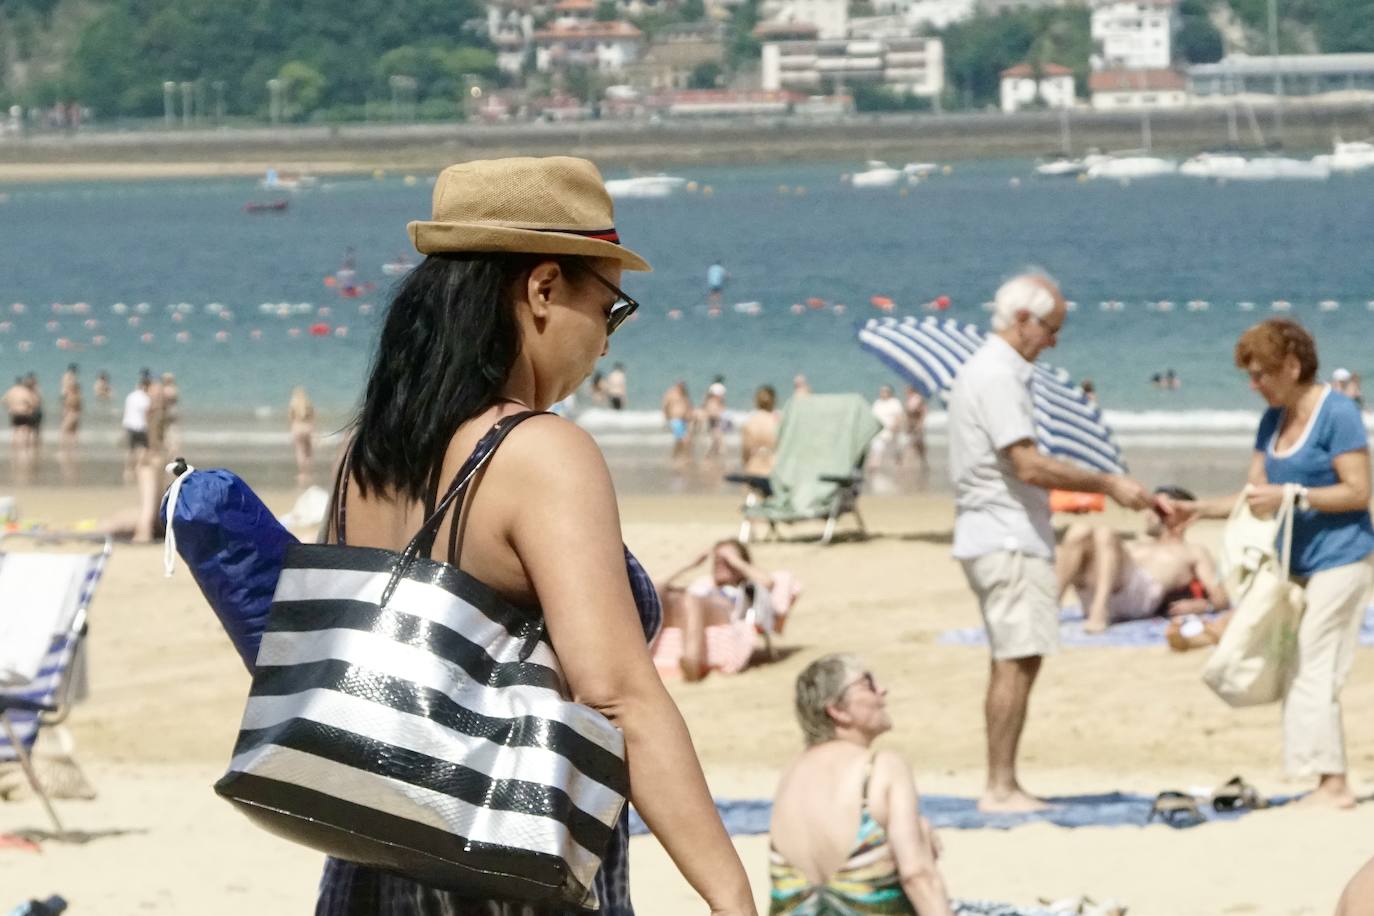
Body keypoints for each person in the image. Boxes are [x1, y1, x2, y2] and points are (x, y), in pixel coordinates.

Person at [313, 156, 755, 915]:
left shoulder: (366, 457)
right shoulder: (541, 453)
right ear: (543, 287)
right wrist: (730, 895)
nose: (609, 344)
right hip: (507, 878)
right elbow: (616, 697)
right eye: (611, 310)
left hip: (371, 874)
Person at [946, 271, 1153, 813]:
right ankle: (1000, 786)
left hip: (1001, 530)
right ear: (1022, 321)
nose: (1055, 341)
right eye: (1052, 329)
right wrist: (1108, 482)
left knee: (1018, 658)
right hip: (1004, 534)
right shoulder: (996, 374)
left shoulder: (996, 372)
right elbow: (1028, 465)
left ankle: (1003, 782)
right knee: (1015, 660)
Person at [1169, 318, 1374, 809]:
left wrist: (1296, 494)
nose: (1254, 385)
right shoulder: (1272, 421)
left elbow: (1358, 491)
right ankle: (1321, 777)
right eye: (1250, 375)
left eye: (1262, 374)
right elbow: (1254, 497)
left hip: (1344, 556)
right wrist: (1196, 510)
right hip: (1290, 562)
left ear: (1293, 367)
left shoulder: (1337, 413)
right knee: (1285, 661)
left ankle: (1333, 785)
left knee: (1315, 661)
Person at [769, 654, 953, 915]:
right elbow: (917, 875)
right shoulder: (881, 768)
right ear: (838, 710)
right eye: (867, 683)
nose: (882, 690)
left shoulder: (791, 774)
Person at [1056, 485, 1229, 633]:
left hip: (1137, 597)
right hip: (1102, 590)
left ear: (1182, 514)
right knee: (1080, 530)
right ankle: (1051, 607)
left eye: (1158, 509)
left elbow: (1221, 597)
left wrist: (1205, 606)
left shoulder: (1193, 552)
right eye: (1151, 507)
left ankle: (1100, 612)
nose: (1148, 514)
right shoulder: (1136, 543)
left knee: (1104, 533)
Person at [652, 538, 797, 682]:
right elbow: (655, 586)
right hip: (686, 609)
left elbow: (768, 582)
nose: (720, 564)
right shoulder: (704, 582)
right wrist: (690, 564)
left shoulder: (745, 587)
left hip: (723, 611)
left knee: (691, 600)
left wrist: (735, 561)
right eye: (717, 561)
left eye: (727, 562)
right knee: (658, 592)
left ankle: (692, 660)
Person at [3, 375, 39, 479]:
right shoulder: (25, 391)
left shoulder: (11, 391)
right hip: (24, 413)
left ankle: (14, 453)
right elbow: (33, 402)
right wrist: (30, 408)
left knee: (15, 431)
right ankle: (25, 452)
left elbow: (3, 400)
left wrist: (10, 407)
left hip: (14, 413)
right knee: (26, 431)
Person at [740, 384, 780, 476]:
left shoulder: (750, 422)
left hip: (754, 469)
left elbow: (745, 453)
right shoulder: (778, 421)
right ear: (773, 401)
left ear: (757, 401)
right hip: (773, 469)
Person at [121, 376, 152, 483]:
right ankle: (138, 467)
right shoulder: (146, 398)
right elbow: (147, 414)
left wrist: (123, 425)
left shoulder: (130, 396)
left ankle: (127, 471)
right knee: (145, 449)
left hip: (129, 425)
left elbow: (126, 411)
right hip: (141, 427)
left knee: (130, 450)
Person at [869, 384, 906, 469]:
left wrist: (896, 426)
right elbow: (873, 416)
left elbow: (899, 416)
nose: (883, 393)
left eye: (885, 391)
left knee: (895, 449)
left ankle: (898, 464)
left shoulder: (895, 402)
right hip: (879, 430)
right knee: (877, 448)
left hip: (891, 429)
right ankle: (875, 465)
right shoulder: (877, 403)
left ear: (890, 392)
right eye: (882, 391)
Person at [287, 386, 316, 486]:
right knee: (308, 452)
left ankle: (302, 474)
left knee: (300, 451)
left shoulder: (293, 403)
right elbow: (312, 417)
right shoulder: (307, 403)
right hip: (307, 427)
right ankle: (308, 473)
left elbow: (291, 417)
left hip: (297, 427)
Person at [662, 381, 694, 461]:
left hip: (684, 420)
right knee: (685, 439)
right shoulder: (671, 394)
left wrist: (690, 416)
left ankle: (675, 456)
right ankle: (687, 457)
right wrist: (666, 417)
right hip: (675, 420)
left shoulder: (684, 394)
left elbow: (689, 405)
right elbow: (665, 405)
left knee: (679, 441)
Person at [903, 384, 928, 469]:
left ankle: (920, 462)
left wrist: (920, 424)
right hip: (912, 424)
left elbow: (923, 411)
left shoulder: (917, 398)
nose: (905, 391)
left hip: (916, 423)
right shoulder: (909, 399)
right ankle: (918, 462)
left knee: (917, 443)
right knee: (914, 443)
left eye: (907, 389)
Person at [702, 376, 727, 459]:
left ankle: (712, 450)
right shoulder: (721, 387)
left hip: (710, 408)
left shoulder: (712, 387)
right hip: (716, 409)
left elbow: (707, 397)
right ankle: (717, 450)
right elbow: (722, 399)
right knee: (717, 430)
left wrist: (704, 407)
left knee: (713, 430)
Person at [160, 372, 181, 456]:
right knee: (172, 432)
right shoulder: (174, 389)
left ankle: (170, 451)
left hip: (167, 414)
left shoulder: (166, 390)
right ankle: (172, 450)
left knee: (167, 434)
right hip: (173, 413)